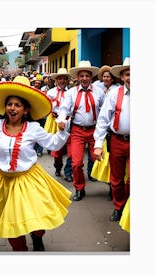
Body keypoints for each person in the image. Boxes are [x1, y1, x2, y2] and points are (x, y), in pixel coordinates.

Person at [0, 75, 72, 251]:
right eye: (10, 104)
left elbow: (53, 144)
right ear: (5, 107)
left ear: (25, 110)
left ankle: (37, 238)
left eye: (17, 105)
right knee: (11, 225)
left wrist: (62, 131)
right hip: (2, 182)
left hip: (28, 179)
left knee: (38, 222)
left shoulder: (33, 129)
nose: (12, 108)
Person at [57, 61, 105, 201]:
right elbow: (64, 109)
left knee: (102, 160)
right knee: (76, 163)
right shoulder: (71, 93)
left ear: (91, 77)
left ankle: (112, 189)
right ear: (77, 77)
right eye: (81, 75)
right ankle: (79, 188)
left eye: (87, 75)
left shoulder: (99, 92)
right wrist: (61, 120)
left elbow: (104, 111)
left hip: (95, 130)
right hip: (77, 130)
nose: (84, 78)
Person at [93, 57, 130, 221]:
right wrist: (98, 144)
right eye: (128, 74)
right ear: (122, 77)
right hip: (117, 141)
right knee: (116, 178)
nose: (131, 77)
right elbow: (102, 120)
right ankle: (119, 208)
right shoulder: (115, 94)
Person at [45, 68, 73, 182]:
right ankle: (58, 166)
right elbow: (46, 106)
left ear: (67, 81)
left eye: (64, 79)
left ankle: (68, 172)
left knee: (71, 150)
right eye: (60, 78)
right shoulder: (50, 92)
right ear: (56, 80)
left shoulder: (71, 93)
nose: (62, 81)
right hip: (55, 122)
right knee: (57, 150)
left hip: (69, 122)